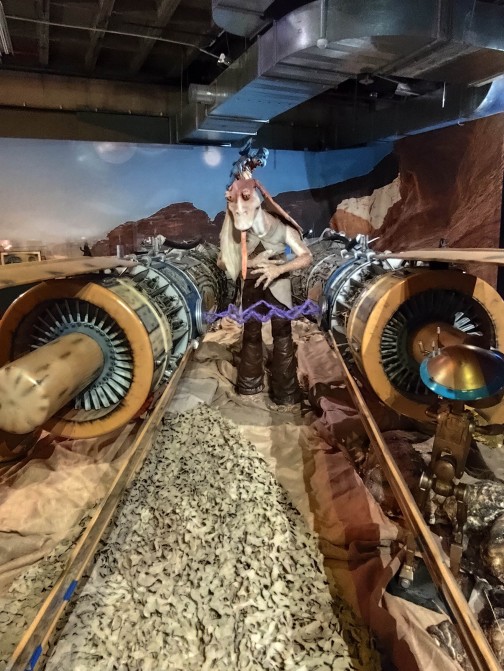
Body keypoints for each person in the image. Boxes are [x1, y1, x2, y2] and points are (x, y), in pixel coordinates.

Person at [219, 178, 312, 406]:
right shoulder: (238, 232)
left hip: (278, 288)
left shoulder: (282, 228)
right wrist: (250, 263)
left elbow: (306, 256)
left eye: (245, 198)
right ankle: (249, 384)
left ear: (257, 199)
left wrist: (278, 269)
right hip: (251, 287)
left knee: (283, 334)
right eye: (233, 200)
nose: (239, 207)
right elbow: (221, 261)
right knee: (251, 334)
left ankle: (286, 391)